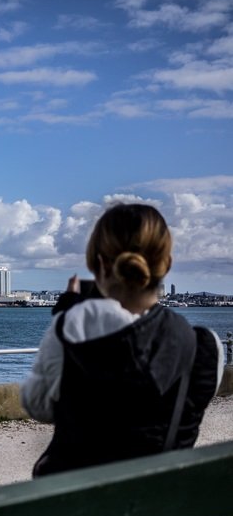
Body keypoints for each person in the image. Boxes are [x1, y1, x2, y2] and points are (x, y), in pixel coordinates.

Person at [22, 202, 224, 477]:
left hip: (73, 507)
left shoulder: (72, 327)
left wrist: (67, 316)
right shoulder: (207, 348)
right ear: (167, 264)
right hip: (158, 508)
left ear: (100, 264)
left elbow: (38, 405)